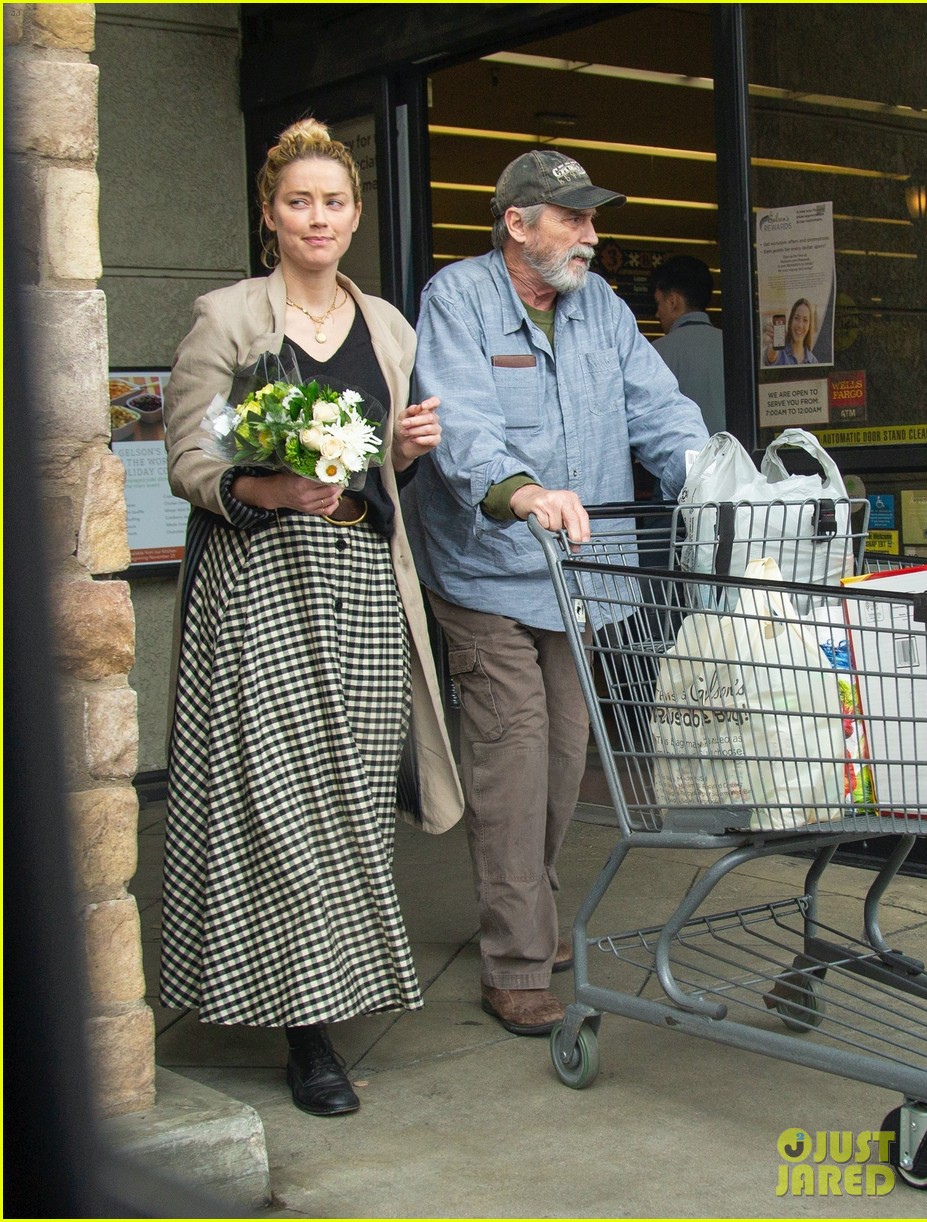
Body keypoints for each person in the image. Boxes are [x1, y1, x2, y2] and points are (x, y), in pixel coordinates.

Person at [160, 119, 463, 1118]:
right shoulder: (226, 317)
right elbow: (188, 464)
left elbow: (379, 475)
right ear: (268, 215)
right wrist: (268, 485)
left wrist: (405, 452)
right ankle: (309, 1036)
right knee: (278, 806)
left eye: (334, 202)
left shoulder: (386, 327)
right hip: (259, 589)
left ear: (354, 215)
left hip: (363, 591)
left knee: (347, 806)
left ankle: (326, 988)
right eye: (299, 202)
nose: (318, 217)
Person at [400, 150, 709, 1037]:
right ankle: (517, 959)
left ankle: (529, 908)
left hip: (581, 579)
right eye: (573, 217)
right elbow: (459, 424)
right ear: (517, 223)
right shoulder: (458, 299)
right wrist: (523, 490)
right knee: (515, 756)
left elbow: (657, 408)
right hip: (486, 571)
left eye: (592, 219)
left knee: (567, 758)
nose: (591, 234)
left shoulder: (602, 308)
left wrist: (710, 475)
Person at [648, 255, 726, 434]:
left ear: (673, 301)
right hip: (734, 458)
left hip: (684, 459)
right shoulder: (734, 349)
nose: (657, 314)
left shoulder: (655, 353)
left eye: (658, 303)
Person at [763, 297, 818, 366]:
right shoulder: (780, 352)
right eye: (796, 318)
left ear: (809, 326)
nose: (800, 325)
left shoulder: (813, 361)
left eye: (805, 320)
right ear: (791, 321)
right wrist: (774, 345)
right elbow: (771, 357)